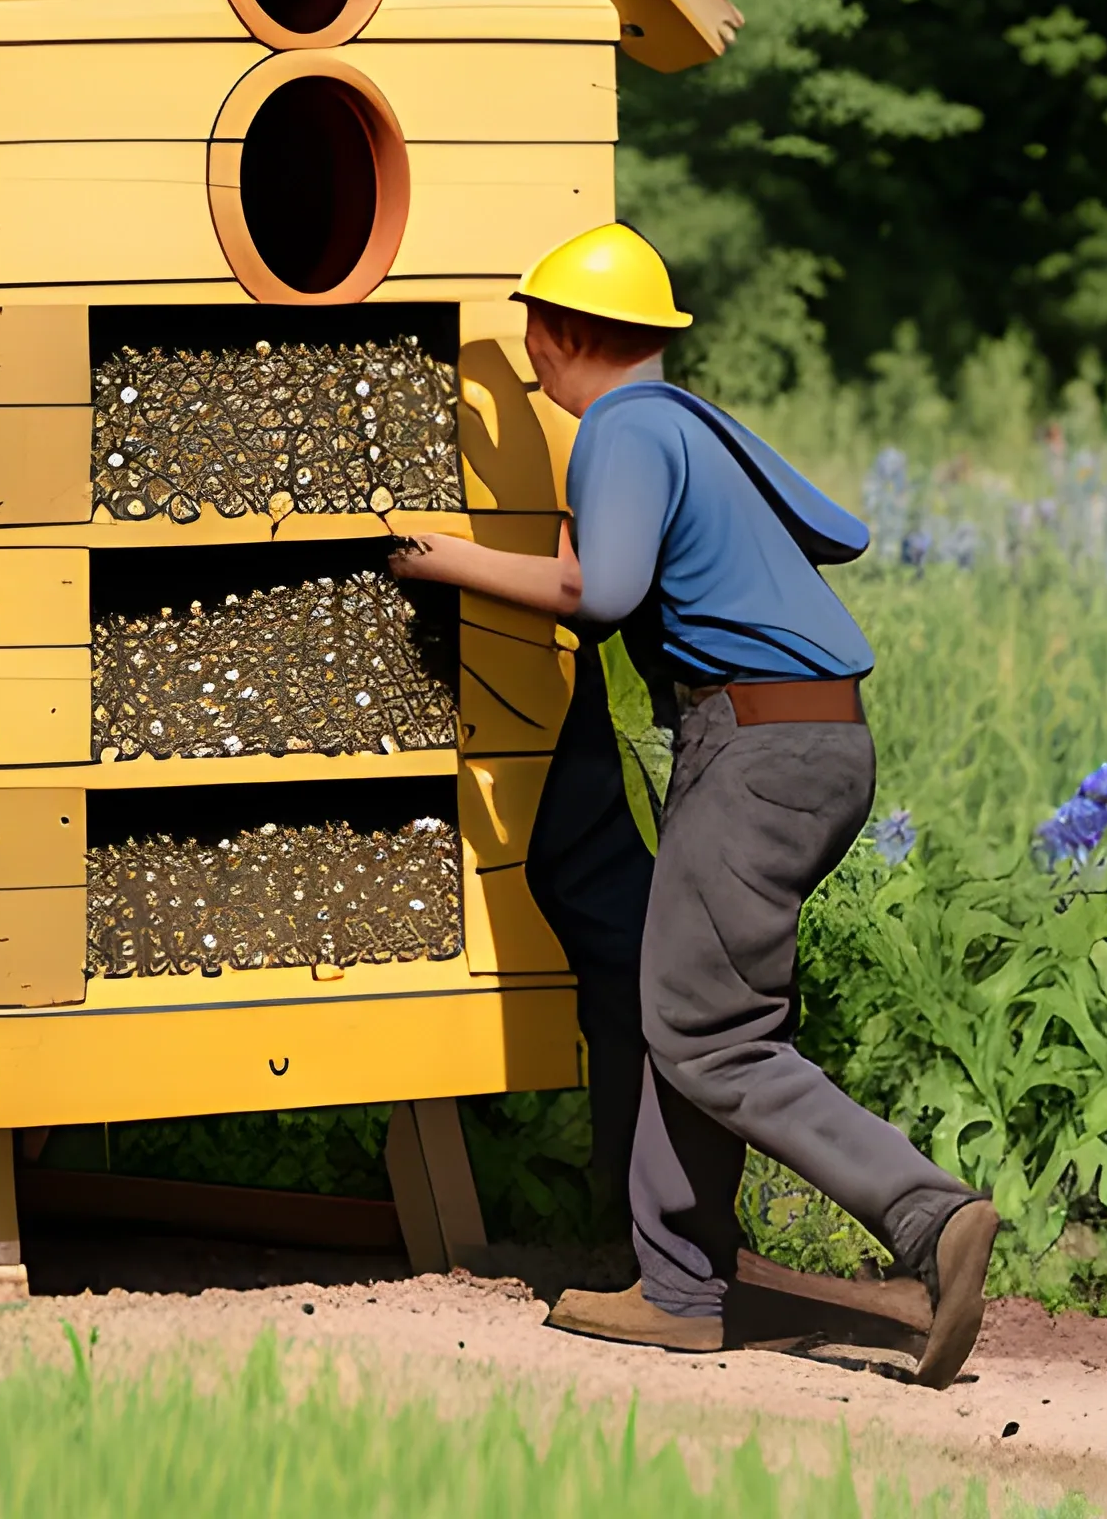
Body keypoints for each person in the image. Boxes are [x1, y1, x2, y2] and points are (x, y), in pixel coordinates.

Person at [389, 224, 998, 1389]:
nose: (530, 369)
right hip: (811, 739)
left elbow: (597, 593)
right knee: (682, 1003)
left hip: (758, 745)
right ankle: (673, 1288)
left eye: (532, 346)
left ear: (566, 334)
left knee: (710, 1029)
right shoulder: (682, 425)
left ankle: (924, 1213)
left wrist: (440, 558)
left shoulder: (619, 428)